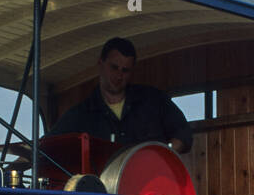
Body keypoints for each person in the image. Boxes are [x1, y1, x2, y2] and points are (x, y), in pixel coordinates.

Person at [48, 37, 194, 153]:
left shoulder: (154, 100)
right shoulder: (79, 115)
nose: (119, 75)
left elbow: (184, 133)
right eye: (114, 67)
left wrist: (164, 154)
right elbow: (47, 147)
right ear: (100, 64)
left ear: (132, 71)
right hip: (101, 190)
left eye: (125, 70)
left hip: (148, 187)